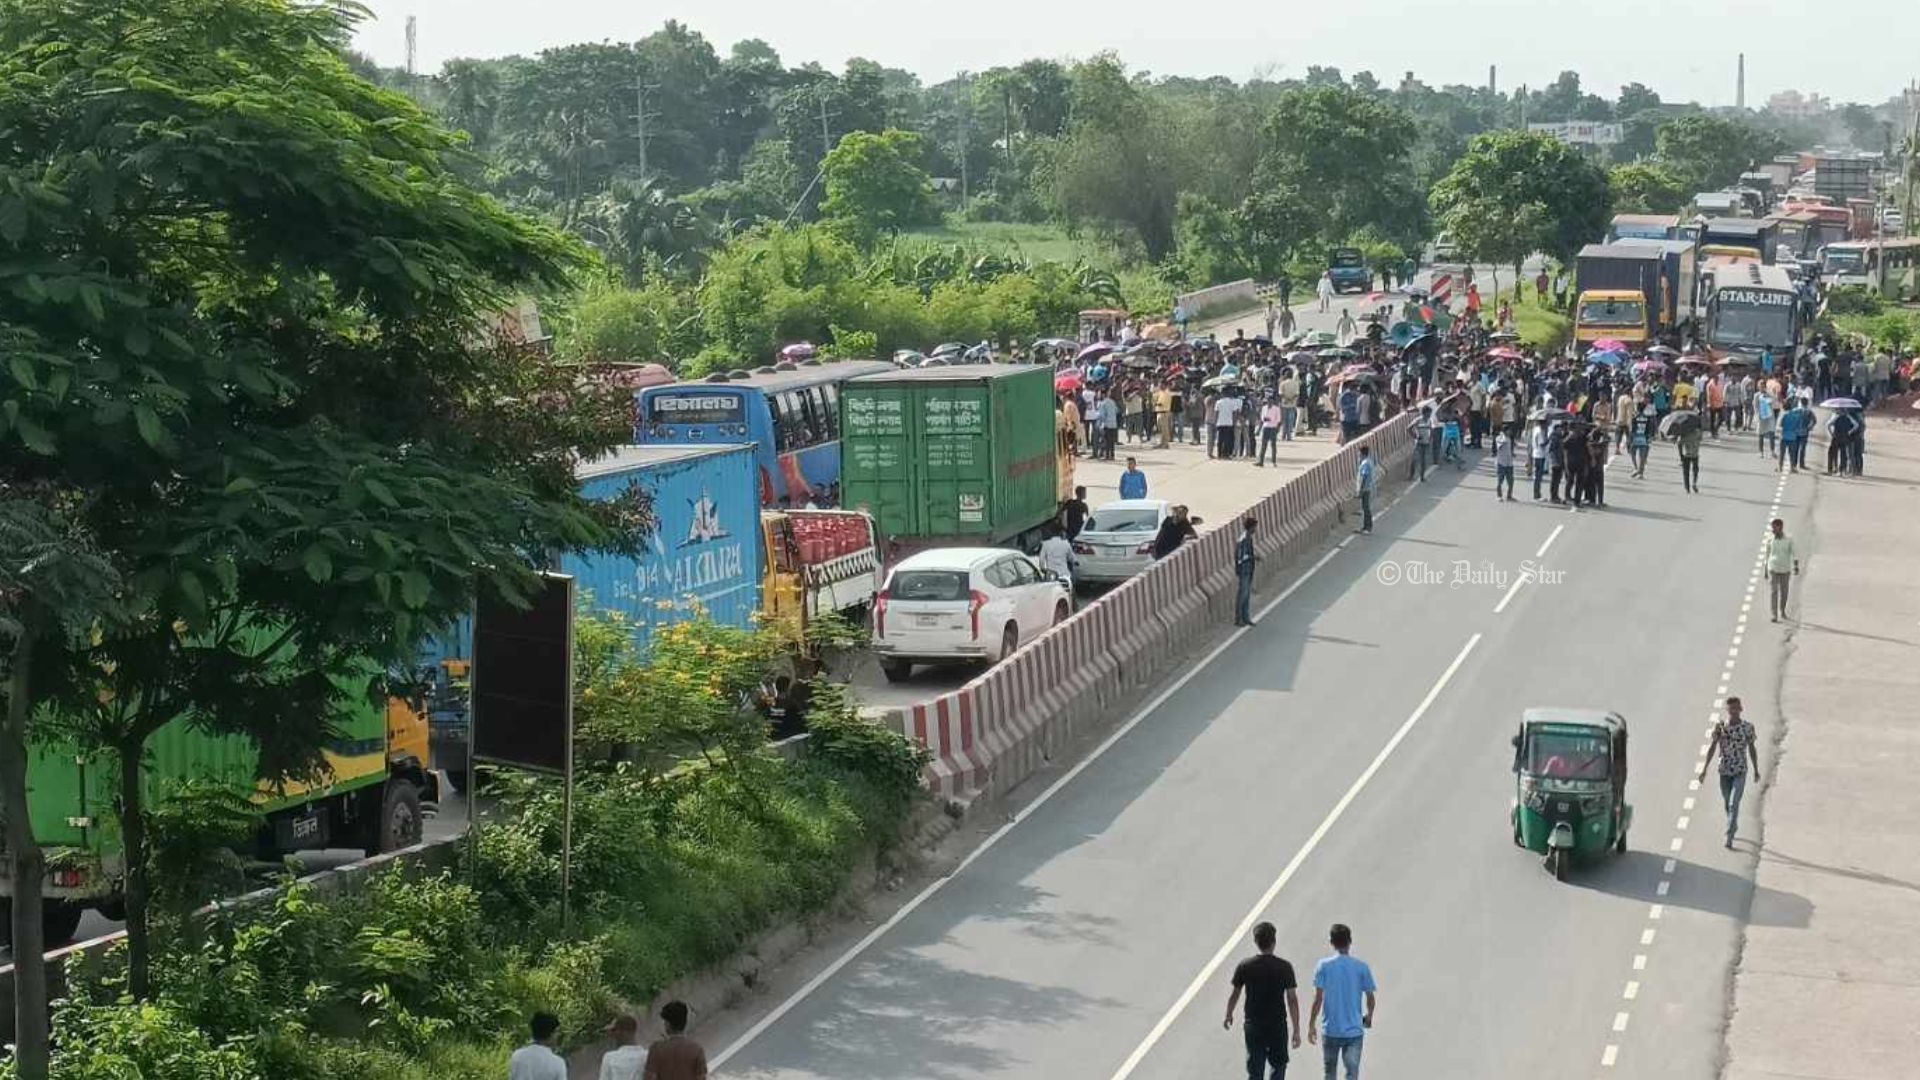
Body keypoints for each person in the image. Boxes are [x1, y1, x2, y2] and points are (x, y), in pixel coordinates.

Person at [1225, 920, 1299, 1079]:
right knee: (1278, 1066)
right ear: (1274, 942)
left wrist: (1229, 1014)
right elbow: (1292, 1000)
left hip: (1254, 1024)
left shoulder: (1245, 966)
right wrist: (1296, 1029)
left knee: (1255, 1069)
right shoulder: (1285, 967)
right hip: (1277, 1024)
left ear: (1256, 942)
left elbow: (1235, 993)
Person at [1308, 923, 1376, 1080]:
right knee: (1352, 1074)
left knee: (1329, 1073)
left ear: (1331, 942)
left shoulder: (1323, 966)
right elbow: (1370, 998)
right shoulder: (1361, 967)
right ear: (1350, 941)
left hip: (1330, 1029)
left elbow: (1318, 999)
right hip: (1354, 1030)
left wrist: (1311, 1024)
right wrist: (1369, 1016)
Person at [1699, 697, 1760, 848]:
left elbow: (1752, 748)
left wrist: (1756, 769)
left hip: (1740, 770)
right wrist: (1704, 769)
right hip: (1724, 771)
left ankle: (1729, 835)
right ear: (1727, 711)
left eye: (1736, 709)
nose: (1734, 712)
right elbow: (1712, 747)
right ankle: (1732, 824)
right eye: (1731, 709)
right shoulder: (1720, 727)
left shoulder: (1747, 728)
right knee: (1727, 802)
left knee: (1734, 803)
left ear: (1741, 709)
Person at [644, 1001, 706, 1080]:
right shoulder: (697, 1049)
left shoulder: (656, 1049)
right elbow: (701, 1078)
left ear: (668, 1024)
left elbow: (650, 1078)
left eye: (664, 1022)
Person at [508, 1013, 568, 1080]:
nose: (558, 1035)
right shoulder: (558, 1063)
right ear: (551, 1034)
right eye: (556, 1032)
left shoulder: (517, 1056)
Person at [1764, 517, 1799, 622]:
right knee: (1774, 591)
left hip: (1785, 569)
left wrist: (1796, 565)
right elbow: (1767, 554)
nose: (1773, 530)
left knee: (1784, 592)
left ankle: (1782, 610)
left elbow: (1794, 552)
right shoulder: (1770, 539)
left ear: (1781, 527)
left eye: (1775, 528)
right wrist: (1766, 569)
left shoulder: (1788, 539)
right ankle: (1774, 614)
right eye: (1772, 528)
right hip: (1773, 568)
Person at [600, 1015, 648, 1080]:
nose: (612, 1035)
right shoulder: (648, 1055)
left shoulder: (609, 1057)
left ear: (621, 1032)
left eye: (614, 1030)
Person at [1233, 517, 1259, 627]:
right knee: (1242, 595)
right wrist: (1253, 557)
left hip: (1249, 568)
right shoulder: (1243, 539)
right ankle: (1238, 619)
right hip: (1244, 569)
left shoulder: (1248, 538)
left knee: (1247, 594)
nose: (1256, 529)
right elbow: (1240, 557)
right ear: (1251, 527)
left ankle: (1246, 617)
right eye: (1255, 527)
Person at [1037, 523, 1077, 593]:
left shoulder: (1045, 544)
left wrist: (1043, 569)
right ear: (1061, 533)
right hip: (1065, 575)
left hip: (1052, 576)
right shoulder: (1066, 543)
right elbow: (1072, 558)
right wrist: (1075, 562)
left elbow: (1041, 560)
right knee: (1069, 593)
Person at [1628, 403, 1656, 478]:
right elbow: (1650, 429)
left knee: (1632, 453)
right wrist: (1650, 437)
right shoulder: (1647, 418)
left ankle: (1636, 468)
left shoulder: (1634, 417)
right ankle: (1641, 473)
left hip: (1636, 437)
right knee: (1642, 456)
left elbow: (1632, 429)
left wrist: (1630, 438)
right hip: (1644, 438)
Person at [1214, 392, 1243, 459]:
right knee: (1227, 439)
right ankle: (1226, 454)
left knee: (1220, 439)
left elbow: (1216, 413)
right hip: (1229, 423)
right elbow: (1235, 413)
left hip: (1220, 423)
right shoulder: (1232, 402)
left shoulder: (1218, 402)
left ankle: (1219, 454)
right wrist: (1234, 421)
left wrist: (1215, 422)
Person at [1677, 419, 1702, 493]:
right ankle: (1694, 482)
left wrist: (1680, 454)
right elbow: (1700, 439)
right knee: (1695, 469)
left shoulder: (1684, 433)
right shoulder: (1698, 432)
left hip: (1686, 454)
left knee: (1686, 472)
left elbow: (1679, 444)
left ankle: (1687, 487)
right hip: (1695, 453)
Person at [1355, 447, 1377, 534]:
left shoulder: (1365, 464)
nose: (1358, 455)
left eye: (1359, 454)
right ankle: (1365, 527)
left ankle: (1368, 527)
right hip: (1368, 488)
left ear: (1363, 454)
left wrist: (1360, 490)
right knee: (1365, 508)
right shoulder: (1369, 462)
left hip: (1366, 489)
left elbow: (1363, 477)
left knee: (1366, 508)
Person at [1258, 397, 1284, 467]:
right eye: (1268, 401)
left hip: (1273, 427)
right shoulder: (1264, 408)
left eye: (1271, 401)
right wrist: (1264, 420)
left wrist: (1277, 428)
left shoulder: (1276, 409)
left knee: (1273, 445)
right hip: (1266, 427)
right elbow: (1262, 418)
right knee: (1263, 445)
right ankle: (1261, 461)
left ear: (1273, 402)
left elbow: (1279, 419)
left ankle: (1274, 461)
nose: (1269, 403)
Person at [1409, 405, 1432, 481]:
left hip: (1426, 443)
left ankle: (1422, 477)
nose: (1429, 415)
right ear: (1424, 413)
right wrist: (1415, 436)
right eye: (1428, 413)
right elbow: (1409, 428)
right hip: (1419, 443)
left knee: (1424, 461)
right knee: (1415, 460)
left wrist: (1430, 438)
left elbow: (1431, 430)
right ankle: (1411, 475)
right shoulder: (1418, 420)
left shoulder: (1429, 421)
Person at [1492, 425, 1515, 501]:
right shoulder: (1499, 438)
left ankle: (1509, 495)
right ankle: (1499, 495)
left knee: (1511, 480)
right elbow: (1499, 447)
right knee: (1500, 480)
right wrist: (1503, 439)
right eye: (1509, 431)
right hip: (1501, 462)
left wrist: (1512, 454)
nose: (1510, 432)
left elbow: (1509, 449)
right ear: (1505, 431)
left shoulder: (1510, 439)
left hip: (1509, 462)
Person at [1530, 418, 1551, 500]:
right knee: (1538, 476)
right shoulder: (1540, 432)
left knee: (1538, 475)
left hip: (1536, 453)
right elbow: (1542, 444)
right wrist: (1548, 440)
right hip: (1539, 454)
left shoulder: (1535, 429)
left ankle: (1537, 493)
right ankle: (1536, 494)